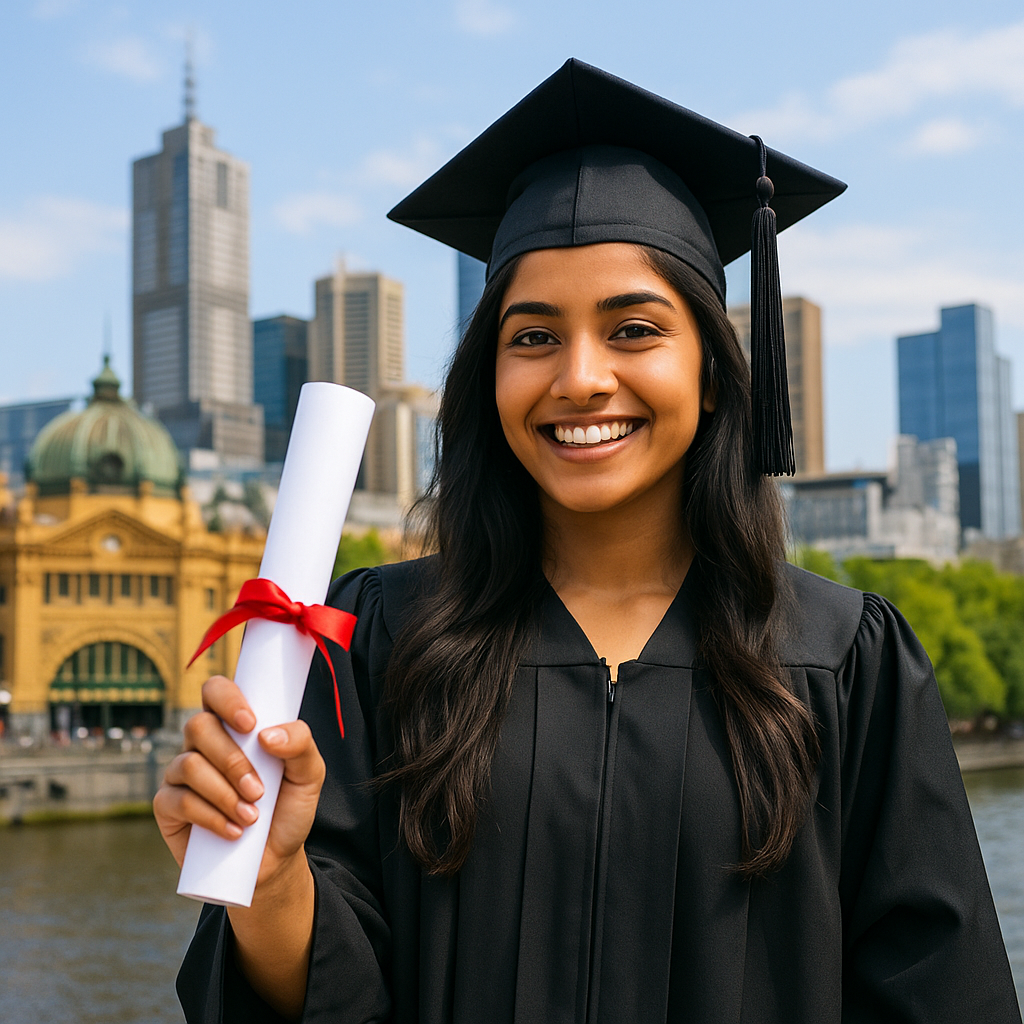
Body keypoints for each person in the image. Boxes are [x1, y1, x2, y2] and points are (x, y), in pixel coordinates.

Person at [155, 60, 1021, 1023]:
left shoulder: (844, 662)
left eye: (635, 329)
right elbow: (325, 999)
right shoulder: (378, 640)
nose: (579, 378)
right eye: (531, 337)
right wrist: (272, 885)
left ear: (712, 366)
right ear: (489, 374)